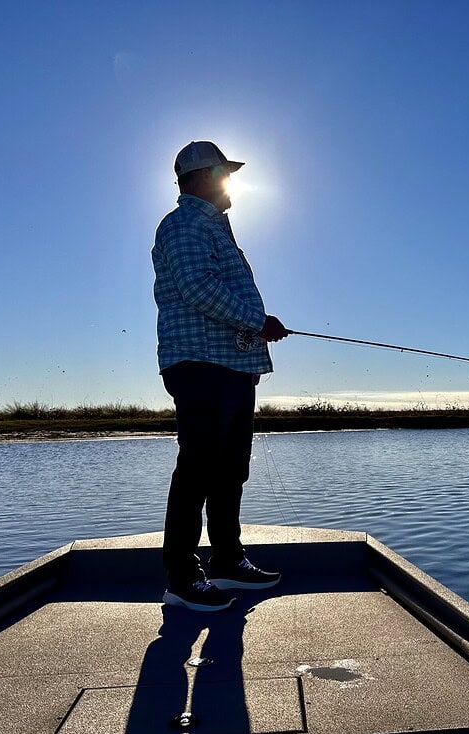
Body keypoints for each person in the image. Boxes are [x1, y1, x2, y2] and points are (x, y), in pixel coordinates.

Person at [152, 140, 290, 611]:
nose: (231, 181)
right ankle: (181, 576)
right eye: (224, 173)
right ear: (203, 177)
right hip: (200, 364)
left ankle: (227, 561)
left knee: (230, 468)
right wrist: (258, 322)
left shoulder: (213, 227)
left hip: (230, 365)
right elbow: (196, 287)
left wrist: (256, 329)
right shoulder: (185, 224)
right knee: (198, 468)